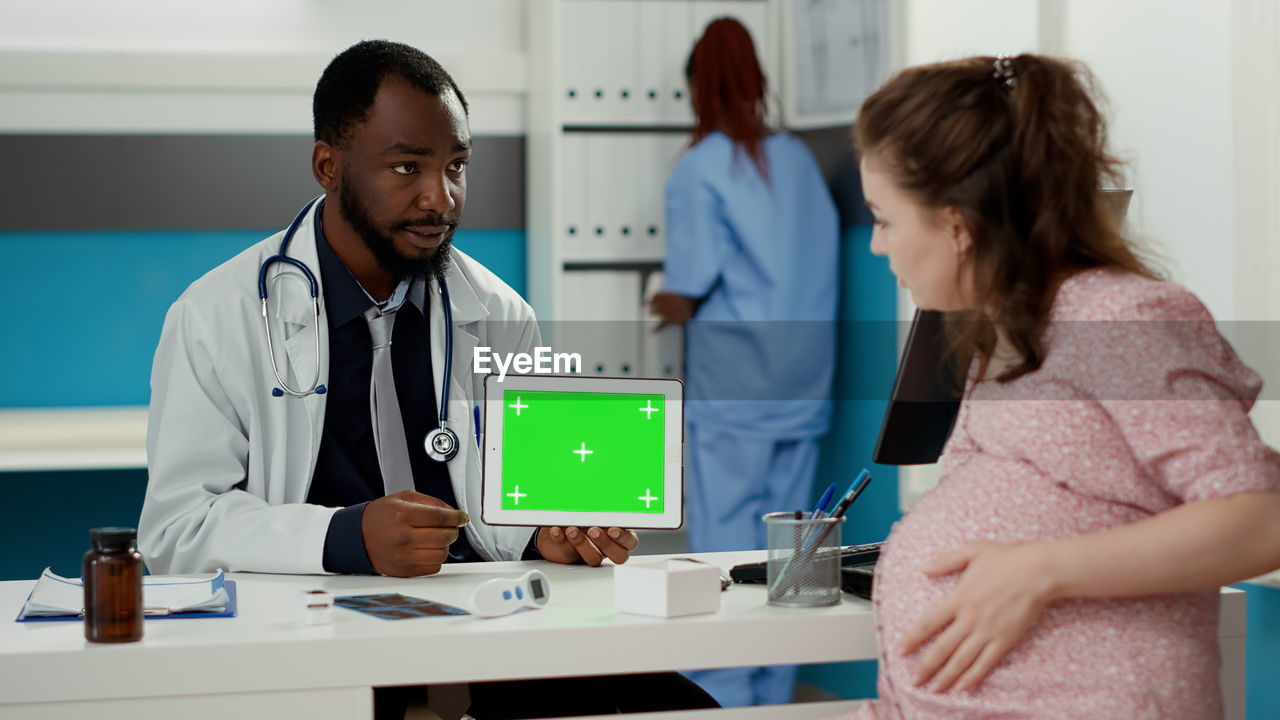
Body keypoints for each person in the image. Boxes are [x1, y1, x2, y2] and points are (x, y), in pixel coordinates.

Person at [139, 39, 715, 719]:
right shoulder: (218, 316)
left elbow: (515, 499)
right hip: (316, 641)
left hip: (484, 630)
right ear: (329, 166)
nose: (439, 198)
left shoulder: (499, 314)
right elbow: (177, 530)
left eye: (456, 167)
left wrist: (544, 532)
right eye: (407, 166)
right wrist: (345, 536)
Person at [836, 54, 1280, 719]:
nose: (876, 245)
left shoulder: (1119, 317)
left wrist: (1041, 572)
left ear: (956, 224)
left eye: (885, 218)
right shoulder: (1009, 335)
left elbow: (1260, 520)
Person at [648, 18, 840, 708]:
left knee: (725, 560)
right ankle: (775, 695)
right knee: (792, 555)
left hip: (735, 395)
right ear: (758, 81)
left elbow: (691, 282)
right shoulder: (799, 163)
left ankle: (723, 698)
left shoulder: (700, 168)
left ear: (698, 88)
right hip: (804, 386)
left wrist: (655, 297)